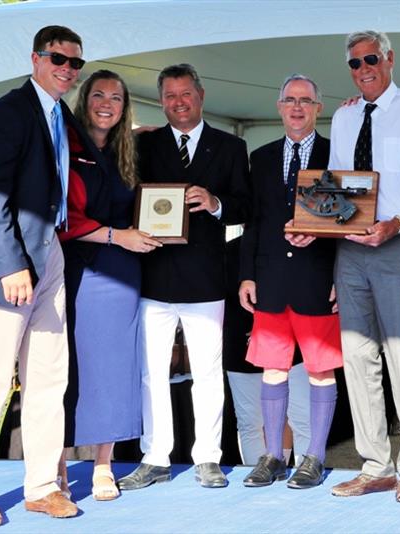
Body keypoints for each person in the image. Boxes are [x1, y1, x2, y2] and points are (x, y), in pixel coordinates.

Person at [0, 25, 85, 527]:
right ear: (36, 58)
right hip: (5, 265)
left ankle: (44, 486)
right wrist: (11, 265)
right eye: (58, 58)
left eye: (75, 62)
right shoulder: (6, 114)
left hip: (50, 258)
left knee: (49, 380)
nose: (68, 69)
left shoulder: (59, 114)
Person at [118, 63, 251, 490]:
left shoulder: (230, 147)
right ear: (161, 101)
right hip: (152, 277)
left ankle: (207, 458)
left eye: (186, 94)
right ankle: (154, 456)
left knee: (209, 373)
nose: (178, 102)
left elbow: (245, 206)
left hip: (207, 279)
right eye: (170, 96)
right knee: (150, 373)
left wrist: (215, 203)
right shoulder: (142, 145)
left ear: (201, 94)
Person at [327, 30, 400, 503]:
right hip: (349, 249)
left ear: (389, 59)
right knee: (356, 358)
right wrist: (317, 224)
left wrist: (395, 223)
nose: (363, 68)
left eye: (371, 59)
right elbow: (332, 186)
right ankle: (374, 464)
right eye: (354, 63)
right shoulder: (344, 115)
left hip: (399, 243)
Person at [56, 70, 161, 501]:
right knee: (65, 370)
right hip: (72, 268)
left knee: (116, 369)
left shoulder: (128, 151)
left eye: (115, 98)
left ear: (124, 107)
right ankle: (56, 465)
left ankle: (104, 463)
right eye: (97, 95)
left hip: (120, 273)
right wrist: (120, 236)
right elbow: (67, 217)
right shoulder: (64, 145)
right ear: (84, 101)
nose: (106, 103)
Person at [239, 74, 341, 489]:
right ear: (279, 107)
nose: (297, 107)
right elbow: (253, 221)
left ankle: (314, 456)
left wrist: (340, 276)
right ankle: (273, 456)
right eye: (290, 100)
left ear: (319, 108)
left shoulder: (337, 155)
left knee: (320, 371)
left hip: (317, 280)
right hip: (270, 281)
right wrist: (247, 273)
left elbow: (345, 221)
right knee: (272, 369)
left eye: (306, 101)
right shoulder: (260, 157)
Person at [223, 238, 312, 468]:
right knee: (251, 422)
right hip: (241, 346)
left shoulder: (293, 247)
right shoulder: (227, 252)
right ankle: (261, 473)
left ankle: (303, 473)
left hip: (291, 345)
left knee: (300, 418)